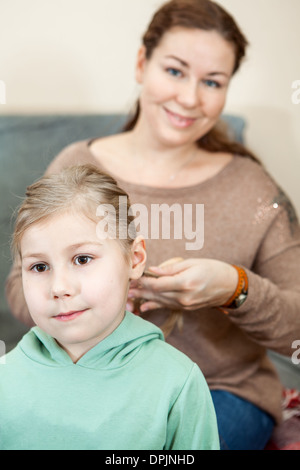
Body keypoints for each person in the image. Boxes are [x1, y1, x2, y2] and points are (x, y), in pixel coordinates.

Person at [5, 0, 300, 450]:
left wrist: (234, 289)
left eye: (212, 82)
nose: (189, 97)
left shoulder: (253, 188)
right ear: (143, 64)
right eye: (176, 71)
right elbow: (21, 285)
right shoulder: (77, 165)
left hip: (221, 389)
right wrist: (96, 294)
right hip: (95, 379)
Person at [0, 164, 219, 450]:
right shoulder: (6, 378)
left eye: (82, 259)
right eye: (39, 266)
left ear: (135, 259)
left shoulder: (177, 383)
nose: (59, 288)